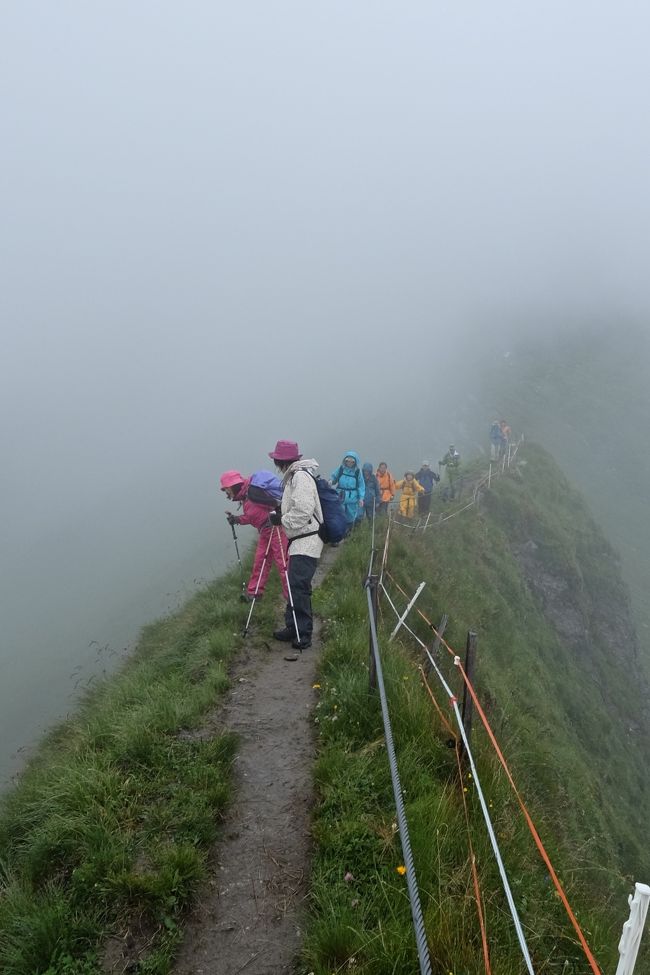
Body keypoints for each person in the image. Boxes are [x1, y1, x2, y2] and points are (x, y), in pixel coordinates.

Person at [268, 440, 323, 652]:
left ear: (280, 460)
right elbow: (297, 506)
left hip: (306, 541)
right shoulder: (295, 476)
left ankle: (303, 633)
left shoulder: (300, 477)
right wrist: (281, 511)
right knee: (294, 586)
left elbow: (303, 511)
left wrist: (282, 520)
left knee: (299, 587)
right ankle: (293, 627)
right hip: (300, 541)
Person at [220, 471, 289, 603]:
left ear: (232, 486)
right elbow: (253, 517)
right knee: (260, 561)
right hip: (265, 531)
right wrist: (236, 519)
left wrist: (238, 519)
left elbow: (266, 509)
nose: (226, 493)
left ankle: (292, 594)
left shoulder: (252, 493)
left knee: (283, 563)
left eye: (226, 489)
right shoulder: (247, 495)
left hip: (275, 530)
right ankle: (254, 593)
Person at [331, 451, 365, 529]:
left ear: (355, 462)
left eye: (352, 461)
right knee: (339, 515)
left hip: (352, 498)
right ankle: (339, 534)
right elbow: (334, 478)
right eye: (347, 461)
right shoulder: (341, 469)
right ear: (345, 461)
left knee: (350, 517)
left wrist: (361, 498)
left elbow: (361, 486)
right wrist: (330, 481)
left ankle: (348, 535)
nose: (349, 463)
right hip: (340, 496)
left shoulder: (357, 472)